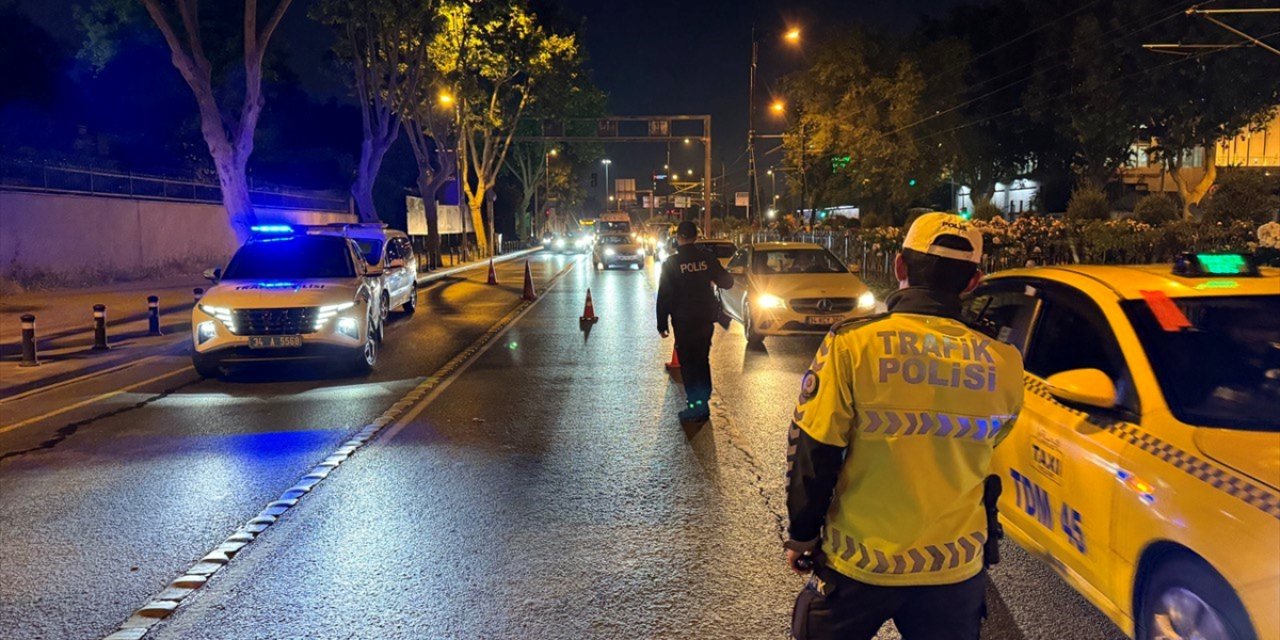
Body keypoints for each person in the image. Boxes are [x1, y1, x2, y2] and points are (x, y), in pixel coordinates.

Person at [784, 212, 1025, 640]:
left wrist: (802, 536)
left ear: (900, 267)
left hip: (857, 565)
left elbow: (814, 449)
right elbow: (991, 455)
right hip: (954, 571)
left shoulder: (853, 344)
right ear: (973, 282)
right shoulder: (1004, 361)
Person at [656, 221, 734, 423]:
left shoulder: (671, 264)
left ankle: (694, 406)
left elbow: (664, 296)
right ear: (696, 237)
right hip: (704, 320)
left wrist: (661, 324)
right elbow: (727, 282)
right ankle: (703, 403)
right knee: (701, 359)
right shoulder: (707, 259)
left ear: (678, 238)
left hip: (683, 321)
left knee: (689, 364)